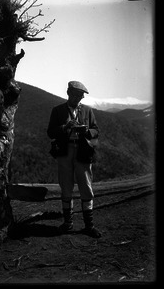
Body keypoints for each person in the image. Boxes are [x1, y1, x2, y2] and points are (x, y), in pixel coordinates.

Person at [47, 81, 101, 238]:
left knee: (86, 186)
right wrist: (65, 127)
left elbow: (96, 130)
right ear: (68, 93)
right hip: (65, 151)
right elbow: (50, 132)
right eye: (77, 95)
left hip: (83, 151)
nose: (80, 98)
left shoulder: (88, 111)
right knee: (66, 186)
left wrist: (87, 132)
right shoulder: (57, 111)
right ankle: (68, 224)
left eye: (81, 95)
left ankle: (89, 226)